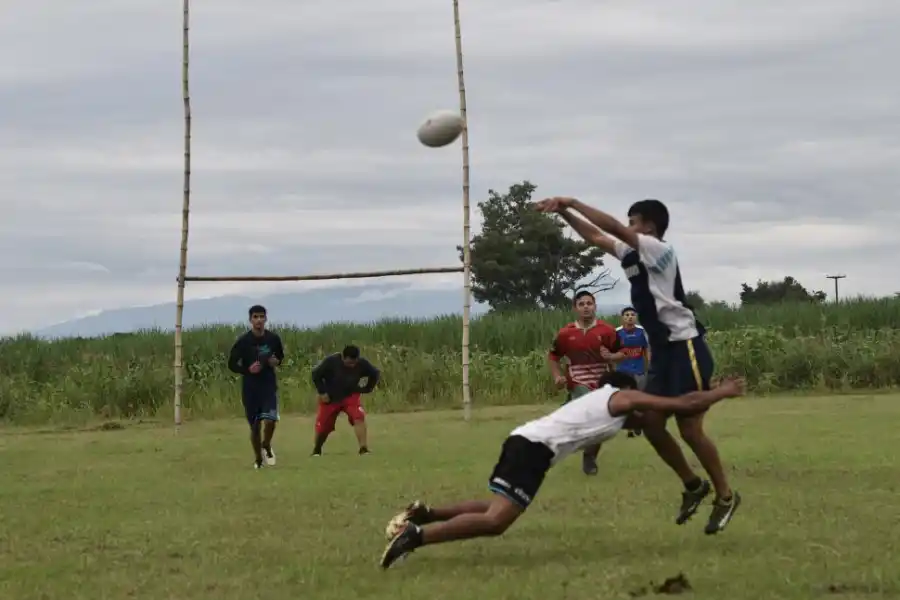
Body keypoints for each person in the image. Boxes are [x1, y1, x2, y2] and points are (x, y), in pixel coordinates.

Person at [379, 373, 746, 569]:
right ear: (627, 389)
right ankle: (416, 536)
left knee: (494, 507)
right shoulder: (622, 397)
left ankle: (427, 514)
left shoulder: (602, 402)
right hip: (534, 449)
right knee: (497, 522)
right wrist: (722, 392)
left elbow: (646, 423)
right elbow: (680, 405)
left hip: (525, 441)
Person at [535, 196, 741, 535]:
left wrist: (572, 201)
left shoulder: (659, 250)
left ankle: (726, 496)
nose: (628, 227)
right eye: (629, 223)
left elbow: (612, 228)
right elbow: (596, 237)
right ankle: (693, 486)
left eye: (633, 222)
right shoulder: (631, 254)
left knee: (690, 429)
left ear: (649, 227)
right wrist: (564, 213)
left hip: (685, 346)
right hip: (662, 351)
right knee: (650, 423)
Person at [547, 289, 623, 475]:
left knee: (601, 421)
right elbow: (553, 356)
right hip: (578, 379)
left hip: (602, 379)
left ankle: (589, 456)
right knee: (590, 415)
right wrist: (557, 376)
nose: (586, 307)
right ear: (575, 308)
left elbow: (622, 353)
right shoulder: (566, 333)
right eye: (581, 304)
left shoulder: (607, 330)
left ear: (595, 306)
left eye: (589, 303)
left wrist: (611, 356)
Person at [227, 304, 285, 469]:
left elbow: (280, 357)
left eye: (261, 317)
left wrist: (276, 362)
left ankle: (266, 444)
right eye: (255, 317)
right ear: (250, 320)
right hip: (251, 388)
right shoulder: (244, 341)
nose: (259, 320)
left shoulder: (273, 339)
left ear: (266, 319)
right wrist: (247, 370)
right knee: (255, 426)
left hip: (268, 385)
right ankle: (258, 459)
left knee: (271, 420)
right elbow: (231, 364)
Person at [310, 345, 381, 456]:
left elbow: (375, 373)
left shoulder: (362, 364)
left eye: (354, 363)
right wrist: (322, 392)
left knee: (359, 416)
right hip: (331, 398)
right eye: (349, 363)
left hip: (350, 396)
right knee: (324, 426)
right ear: (343, 358)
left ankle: (363, 449)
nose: (352, 366)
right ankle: (317, 449)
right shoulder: (331, 361)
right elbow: (315, 374)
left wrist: (368, 388)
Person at [616, 306, 650, 389]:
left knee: (640, 393)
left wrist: (649, 367)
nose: (630, 317)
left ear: (636, 317)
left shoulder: (642, 331)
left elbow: (647, 350)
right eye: (627, 315)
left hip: (639, 371)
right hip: (622, 371)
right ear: (622, 318)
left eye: (632, 315)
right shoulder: (616, 332)